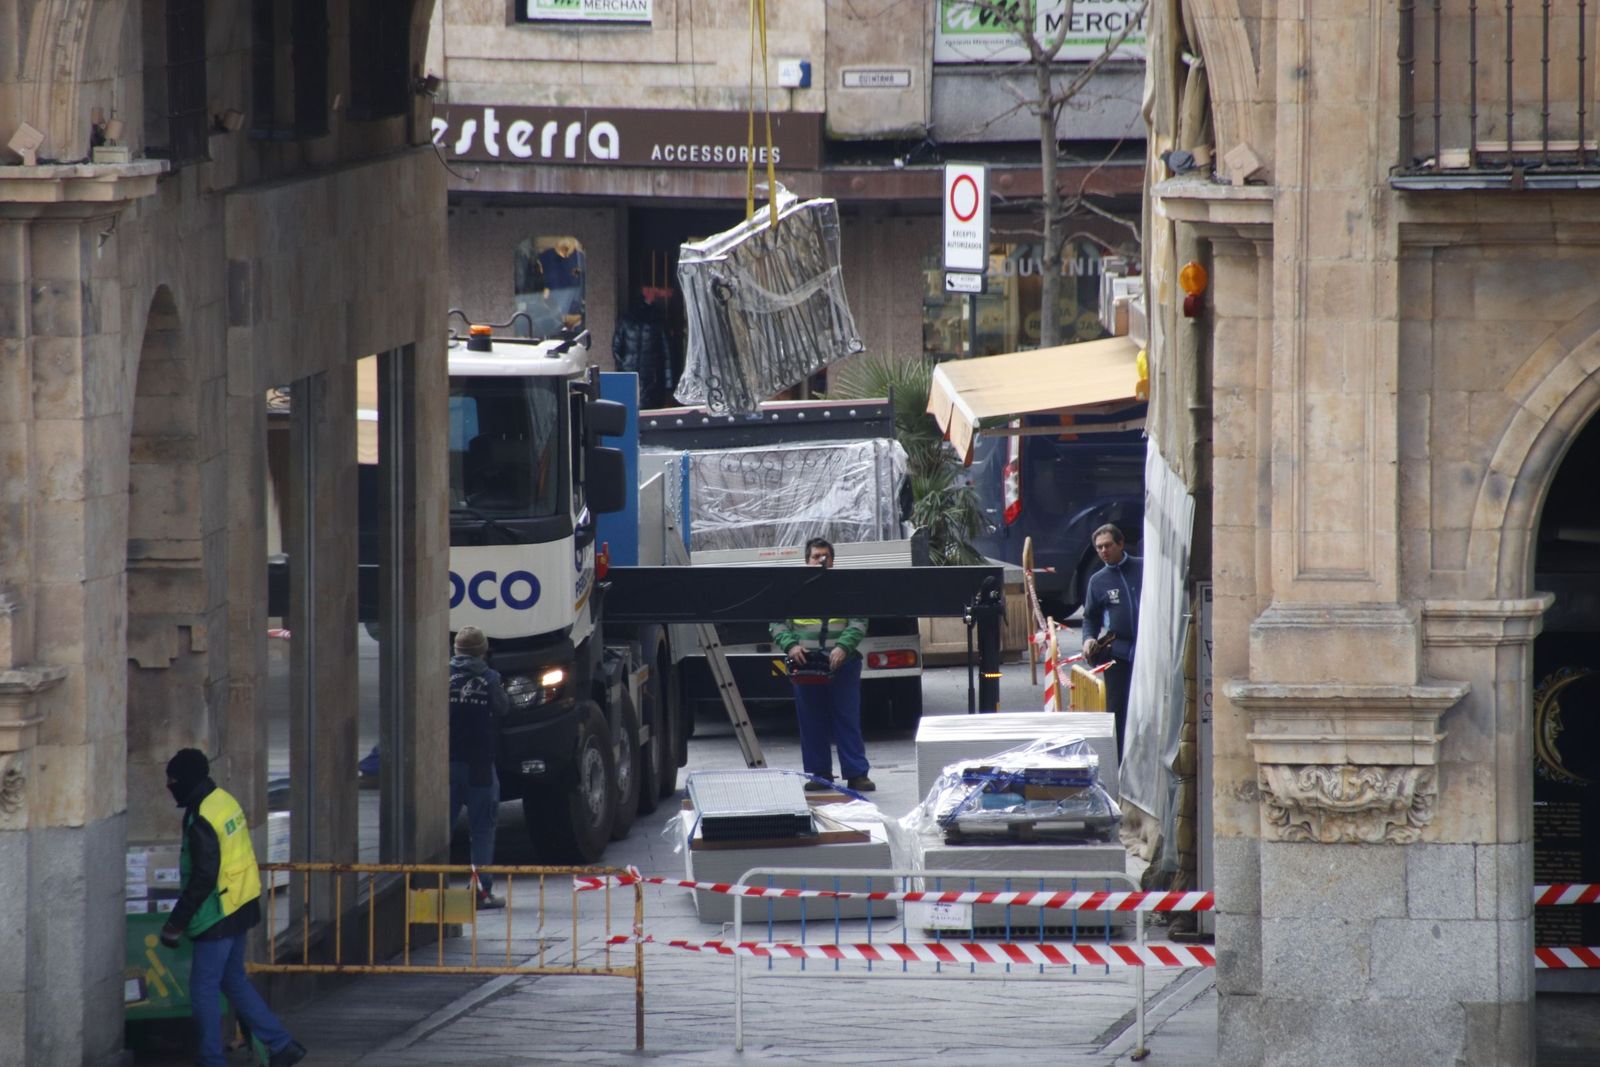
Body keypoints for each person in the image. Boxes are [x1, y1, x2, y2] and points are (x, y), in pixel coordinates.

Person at [159, 748, 307, 1067]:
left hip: (217, 911)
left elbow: (203, 875)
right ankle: (281, 1045)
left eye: (172, 779)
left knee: (204, 990)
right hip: (241, 904)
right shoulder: (223, 800)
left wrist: (176, 921)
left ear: (185, 779)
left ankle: (212, 1059)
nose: (169, 784)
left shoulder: (201, 816)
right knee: (233, 981)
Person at [769, 538, 875, 793]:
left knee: (846, 717)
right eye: (816, 556)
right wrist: (792, 646)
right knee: (811, 720)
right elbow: (777, 622)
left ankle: (857, 774)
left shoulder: (845, 587)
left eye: (825, 556)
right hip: (806, 665)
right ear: (807, 560)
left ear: (833, 560)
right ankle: (819, 775)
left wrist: (843, 647)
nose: (821, 560)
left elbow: (859, 620)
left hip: (843, 663)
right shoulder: (793, 589)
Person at [449, 625, 509, 908]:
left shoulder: (443, 677)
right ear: (484, 651)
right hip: (480, 767)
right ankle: (481, 893)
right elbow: (503, 708)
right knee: (482, 830)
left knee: (441, 830)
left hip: (447, 765)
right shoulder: (490, 679)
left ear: (456, 651)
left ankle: (435, 888)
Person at [1081, 523, 1142, 757]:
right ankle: (1119, 763)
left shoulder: (1143, 567)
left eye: (1107, 545)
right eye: (1099, 548)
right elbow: (1090, 617)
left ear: (1120, 544)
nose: (1103, 551)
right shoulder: (1098, 581)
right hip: (1119, 653)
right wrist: (1088, 639)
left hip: (1147, 650)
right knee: (1117, 711)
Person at [612, 290, 675, 409]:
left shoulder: (625, 320)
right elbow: (667, 354)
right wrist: (669, 384)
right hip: (652, 375)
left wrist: (623, 364)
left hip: (629, 372)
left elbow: (616, 348)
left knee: (630, 407)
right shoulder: (658, 321)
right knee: (650, 410)